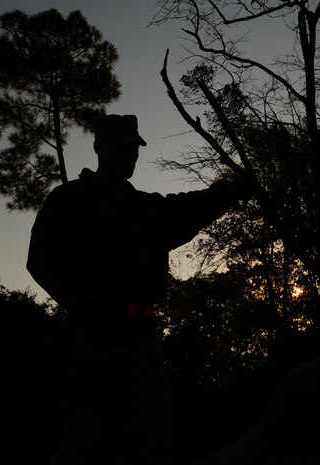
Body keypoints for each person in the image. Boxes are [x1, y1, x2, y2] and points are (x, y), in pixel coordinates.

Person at [27, 114, 253, 465]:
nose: (129, 156)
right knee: (84, 442)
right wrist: (85, 307)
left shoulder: (147, 207)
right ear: (100, 148)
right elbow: (41, 261)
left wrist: (230, 191)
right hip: (95, 339)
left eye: (133, 148)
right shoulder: (70, 199)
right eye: (121, 148)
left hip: (146, 341)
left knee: (150, 442)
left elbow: (188, 208)